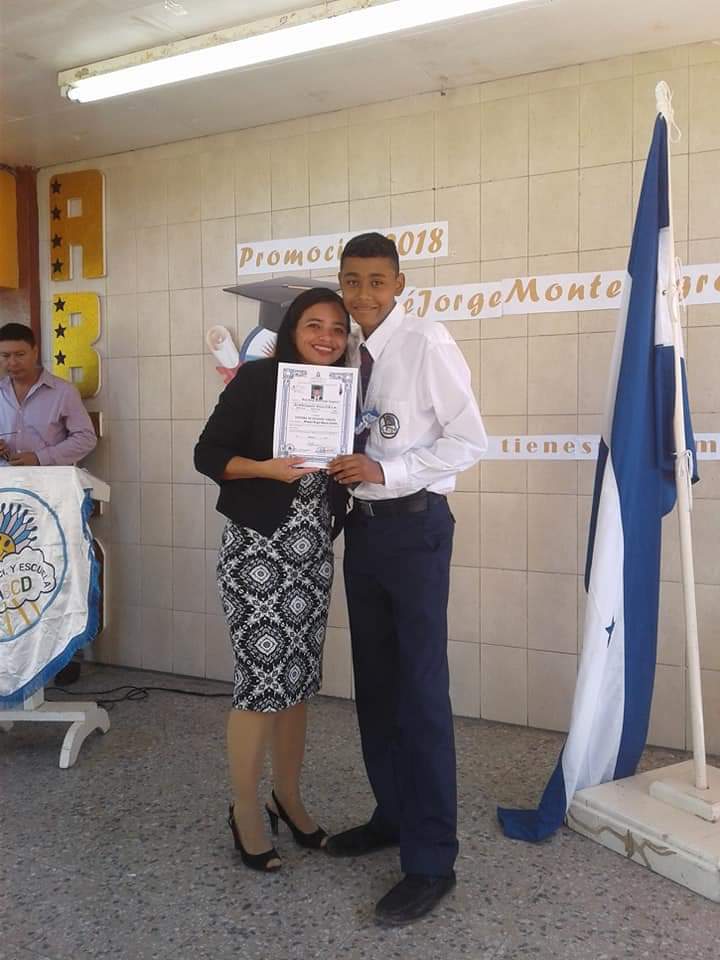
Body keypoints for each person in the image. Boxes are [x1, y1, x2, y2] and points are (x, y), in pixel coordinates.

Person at [327, 233, 488, 926]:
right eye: (351, 281)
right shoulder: (344, 353)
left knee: (420, 692)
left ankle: (431, 861)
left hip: (415, 529)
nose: (363, 294)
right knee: (376, 685)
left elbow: (469, 440)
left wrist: (385, 470)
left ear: (399, 284)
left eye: (376, 281)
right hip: (364, 530)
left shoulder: (426, 341)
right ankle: (392, 815)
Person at [194, 287, 350, 873]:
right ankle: (244, 809)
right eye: (314, 325)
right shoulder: (259, 380)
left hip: (312, 554)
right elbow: (208, 454)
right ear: (291, 330)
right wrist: (266, 469)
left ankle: (287, 796)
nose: (327, 338)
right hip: (258, 552)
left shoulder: (343, 389)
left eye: (337, 329)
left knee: (298, 683)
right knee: (261, 684)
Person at [0, 323, 97, 467]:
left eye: (20, 355)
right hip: (5, 478)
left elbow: (86, 438)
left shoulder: (63, 391)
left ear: (35, 352)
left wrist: (40, 458)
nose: (13, 362)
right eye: (5, 356)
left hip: (49, 478)